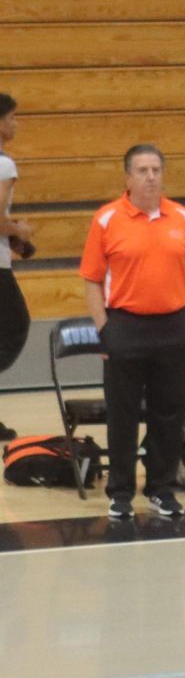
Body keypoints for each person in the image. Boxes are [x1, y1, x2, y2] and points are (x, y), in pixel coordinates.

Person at [80, 144, 185, 520]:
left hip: (173, 327)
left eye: (156, 170)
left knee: (169, 415)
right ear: (127, 178)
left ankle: (161, 489)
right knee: (123, 414)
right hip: (125, 328)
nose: (151, 177)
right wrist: (106, 330)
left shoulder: (181, 217)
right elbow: (90, 281)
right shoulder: (106, 219)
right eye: (142, 170)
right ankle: (120, 492)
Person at [0, 94, 33, 442]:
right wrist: (18, 230)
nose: (15, 124)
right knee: (15, 328)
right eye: (11, 118)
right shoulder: (4, 165)